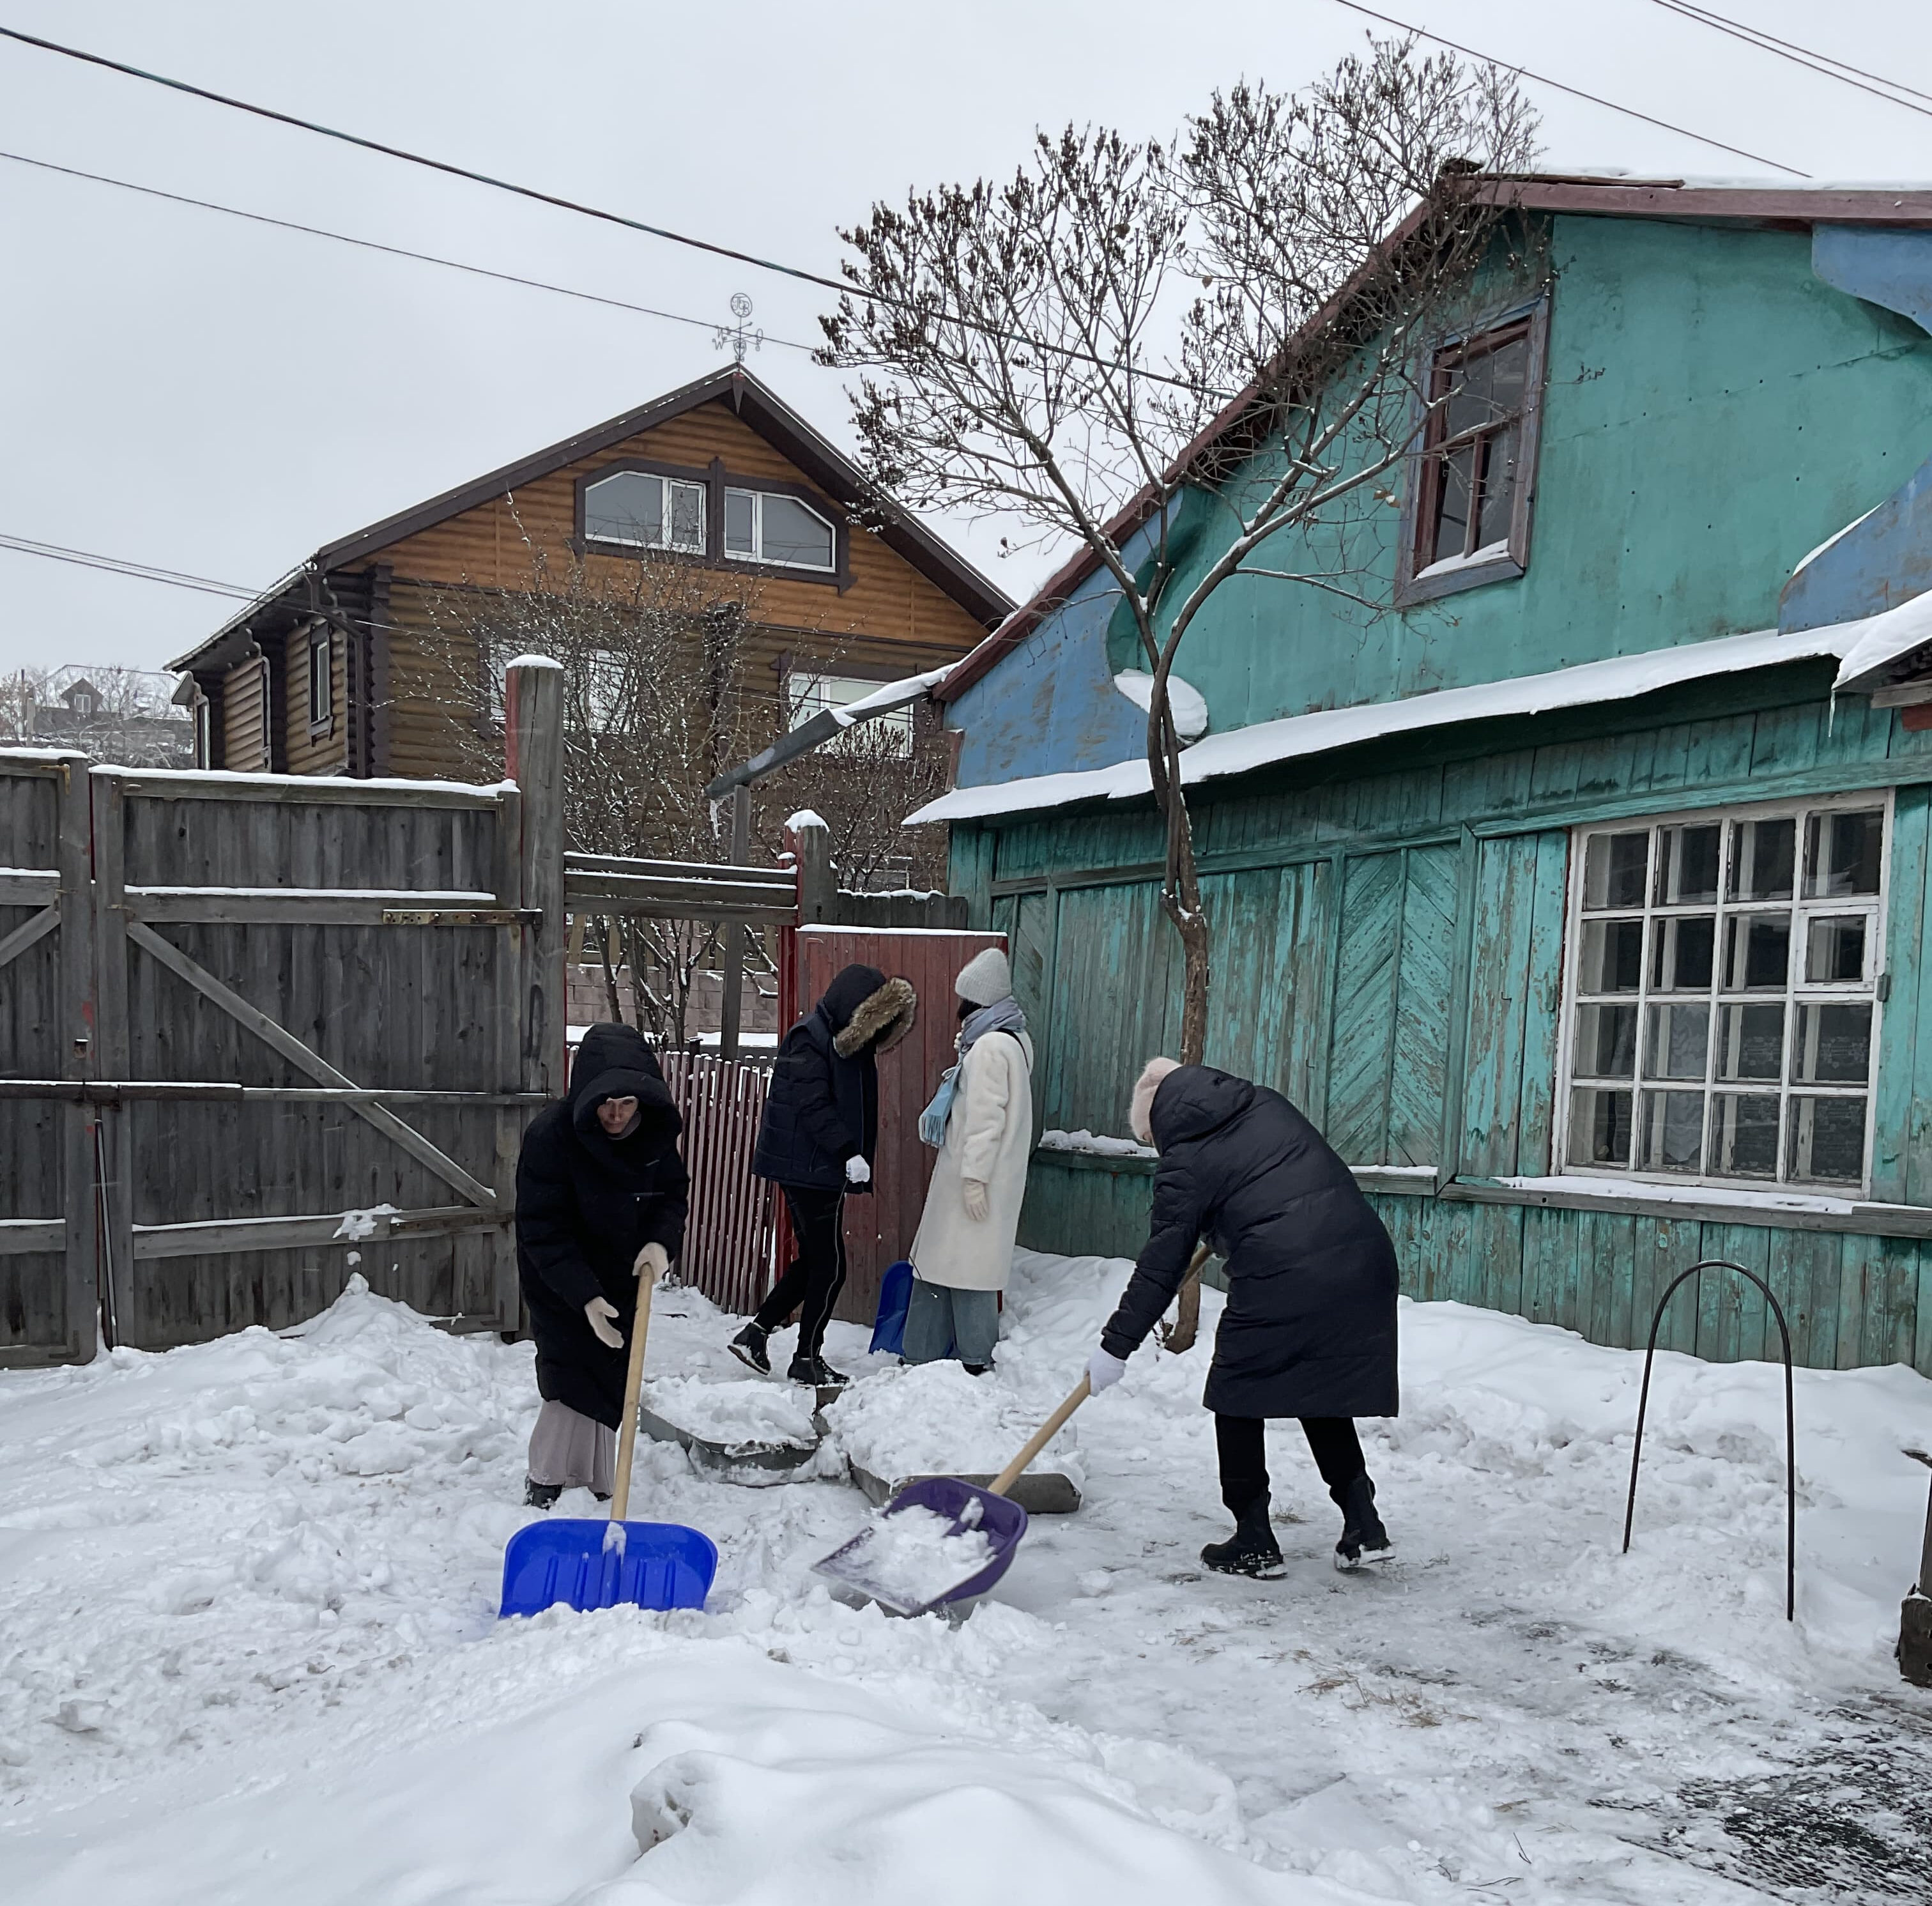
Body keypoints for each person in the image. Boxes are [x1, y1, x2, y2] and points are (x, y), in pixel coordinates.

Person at [1086, 1057, 1399, 1578]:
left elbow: (1162, 1265)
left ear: (1160, 1122)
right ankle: (1364, 1524)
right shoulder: (1263, 1103)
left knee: (1235, 1392)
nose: (1157, 1149)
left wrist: (1116, 1345)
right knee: (1317, 1385)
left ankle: (1254, 1539)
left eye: (1151, 1138)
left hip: (1287, 1273)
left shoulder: (1185, 1159)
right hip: (1362, 1256)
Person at [514, 1020, 688, 1508]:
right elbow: (542, 1228)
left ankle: (594, 1476)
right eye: (605, 1104)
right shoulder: (552, 1136)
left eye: (626, 1103)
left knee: (612, 1370)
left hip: (625, 1273)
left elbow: (670, 1196)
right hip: (562, 1276)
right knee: (569, 1367)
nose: (615, 1115)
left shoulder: (651, 1135)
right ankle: (546, 1475)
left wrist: (660, 1243)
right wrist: (585, 1295)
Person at [732, 963, 917, 1388]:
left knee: (817, 1261)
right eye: (873, 1021)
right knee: (830, 1266)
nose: (876, 1033)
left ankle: (756, 1334)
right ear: (854, 1009)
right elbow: (812, 1105)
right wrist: (848, 1150)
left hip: (818, 1167)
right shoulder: (809, 1039)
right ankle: (805, 1357)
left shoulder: (848, 1045)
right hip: (806, 1167)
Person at [903, 947, 1033, 1373]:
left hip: (974, 1182)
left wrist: (974, 1177)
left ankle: (963, 1358)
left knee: (964, 1269)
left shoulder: (991, 1048)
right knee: (950, 1266)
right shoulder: (1010, 1039)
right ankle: (934, 1354)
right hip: (981, 1178)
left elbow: (984, 1119)